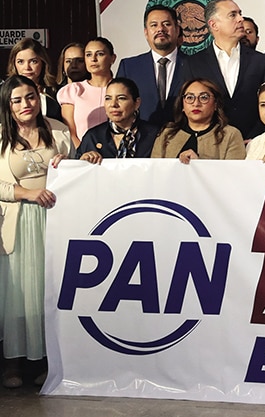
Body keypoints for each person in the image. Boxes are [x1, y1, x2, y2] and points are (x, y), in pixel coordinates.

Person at [0, 75, 72, 388]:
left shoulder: (58, 130)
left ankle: (48, 361)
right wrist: (25, 193)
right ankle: (14, 363)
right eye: (16, 100)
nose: (25, 104)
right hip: (17, 223)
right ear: (7, 104)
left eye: (29, 97)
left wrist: (69, 163)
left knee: (49, 291)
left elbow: (78, 171)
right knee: (18, 295)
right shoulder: (1, 135)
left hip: (56, 220)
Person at [177, 0, 265, 138]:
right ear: (214, 25)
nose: (240, 19)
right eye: (233, 15)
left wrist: (255, 138)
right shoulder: (193, 63)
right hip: (210, 147)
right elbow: (189, 109)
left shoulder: (261, 61)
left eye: (240, 14)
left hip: (254, 145)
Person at [115, 5, 189, 125]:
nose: (160, 29)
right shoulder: (129, 67)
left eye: (166, 24)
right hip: (141, 139)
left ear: (177, 29)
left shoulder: (195, 64)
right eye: (154, 25)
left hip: (185, 137)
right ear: (146, 32)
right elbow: (118, 106)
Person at [151, 78, 245, 162]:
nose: (196, 103)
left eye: (204, 97)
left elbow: (233, 176)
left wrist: (199, 164)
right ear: (182, 105)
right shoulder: (167, 134)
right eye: (190, 98)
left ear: (216, 104)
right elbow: (155, 173)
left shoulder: (230, 135)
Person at [76, 78, 160, 161]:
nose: (113, 104)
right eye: (108, 98)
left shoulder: (154, 135)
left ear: (137, 103)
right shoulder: (93, 136)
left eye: (121, 98)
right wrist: (82, 162)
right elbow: (75, 170)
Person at [58, 37, 114, 146]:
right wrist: (84, 153)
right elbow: (70, 132)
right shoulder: (73, 91)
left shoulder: (122, 89)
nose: (93, 59)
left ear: (112, 58)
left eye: (100, 54)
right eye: (88, 55)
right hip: (83, 157)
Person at [7, 38, 61, 120]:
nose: (27, 67)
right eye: (20, 62)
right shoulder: (4, 92)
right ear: (14, 64)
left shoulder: (57, 92)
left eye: (33, 61)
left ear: (43, 62)